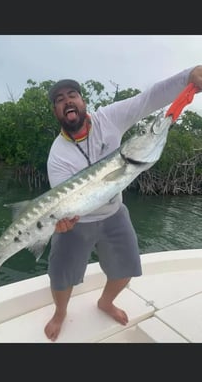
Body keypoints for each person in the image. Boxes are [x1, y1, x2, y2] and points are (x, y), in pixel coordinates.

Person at [44, 66, 202, 341]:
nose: (67, 101)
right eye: (59, 100)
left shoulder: (109, 118)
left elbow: (148, 98)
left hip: (115, 213)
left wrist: (188, 77)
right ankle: (60, 312)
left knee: (127, 268)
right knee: (61, 276)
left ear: (83, 102)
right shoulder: (57, 156)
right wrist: (60, 222)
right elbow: (63, 204)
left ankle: (105, 302)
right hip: (77, 222)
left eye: (72, 95)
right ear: (56, 112)